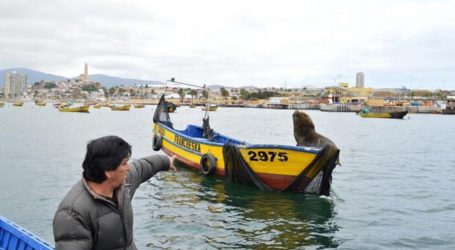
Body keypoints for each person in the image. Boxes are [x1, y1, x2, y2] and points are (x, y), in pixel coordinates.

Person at [53, 135, 176, 250]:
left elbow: (142, 167)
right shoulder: (73, 214)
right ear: (108, 171)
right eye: (124, 163)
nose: (128, 167)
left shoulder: (122, 185)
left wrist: (167, 161)